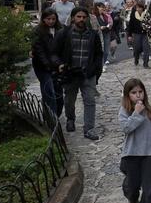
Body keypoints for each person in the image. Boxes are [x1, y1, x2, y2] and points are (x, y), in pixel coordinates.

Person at [51, 7, 103, 140]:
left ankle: (89, 129)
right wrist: (59, 64)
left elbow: (98, 54)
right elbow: (54, 53)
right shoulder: (64, 33)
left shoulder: (93, 35)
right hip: (70, 73)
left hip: (87, 74)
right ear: (73, 18)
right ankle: (70, 118)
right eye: (79, 17)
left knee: (90, 101)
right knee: (69, 100)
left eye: (84, 17)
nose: (81, 20)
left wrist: (96, 70)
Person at [31, 11, 63, 118]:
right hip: (42, 66)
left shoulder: (60, 29)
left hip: (58, 65)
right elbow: (39, 50)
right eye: (48, 19)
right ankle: (51, 117)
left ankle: (56, 114)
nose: (51, 21)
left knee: (58, 91)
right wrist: (48, 65)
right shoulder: (38, 31)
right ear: (43, 19)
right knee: (49, 91)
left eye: (53, 19)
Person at [126, 0, 150, 69]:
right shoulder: (133, 14)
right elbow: (130, 24)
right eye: (137, 8)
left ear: (142, 8)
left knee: (146, 49)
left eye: (140, 8)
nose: (139, 9)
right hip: (136, 33)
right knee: (137, 48)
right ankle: (136, 58)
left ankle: (146, 63)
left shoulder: (146, 14)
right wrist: (129, 35)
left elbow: (149, 22)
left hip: (145, 33)